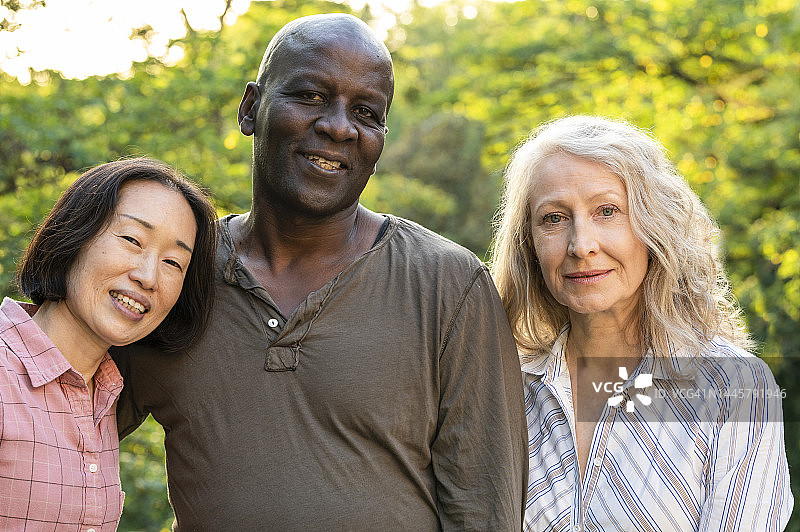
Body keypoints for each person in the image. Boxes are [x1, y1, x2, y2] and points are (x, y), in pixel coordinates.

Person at [111, 13, 527, 531]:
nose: (338, 126)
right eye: (309, 95)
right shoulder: (176, 273)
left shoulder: (447, 286)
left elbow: (484, 512)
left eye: (366, 112)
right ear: (250, 109)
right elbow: (60, 421)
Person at [491, 115, 793, 531]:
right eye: (554, 218)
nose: (582, 245)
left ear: (654, 227)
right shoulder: (503, 388)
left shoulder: (734, 390)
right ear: (529, 244)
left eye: (607, 211)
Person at [0, 158, 217, 531]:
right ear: (75, 235)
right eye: (132, 240)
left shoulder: (104, 395)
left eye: (173, 262)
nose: (148, 276)